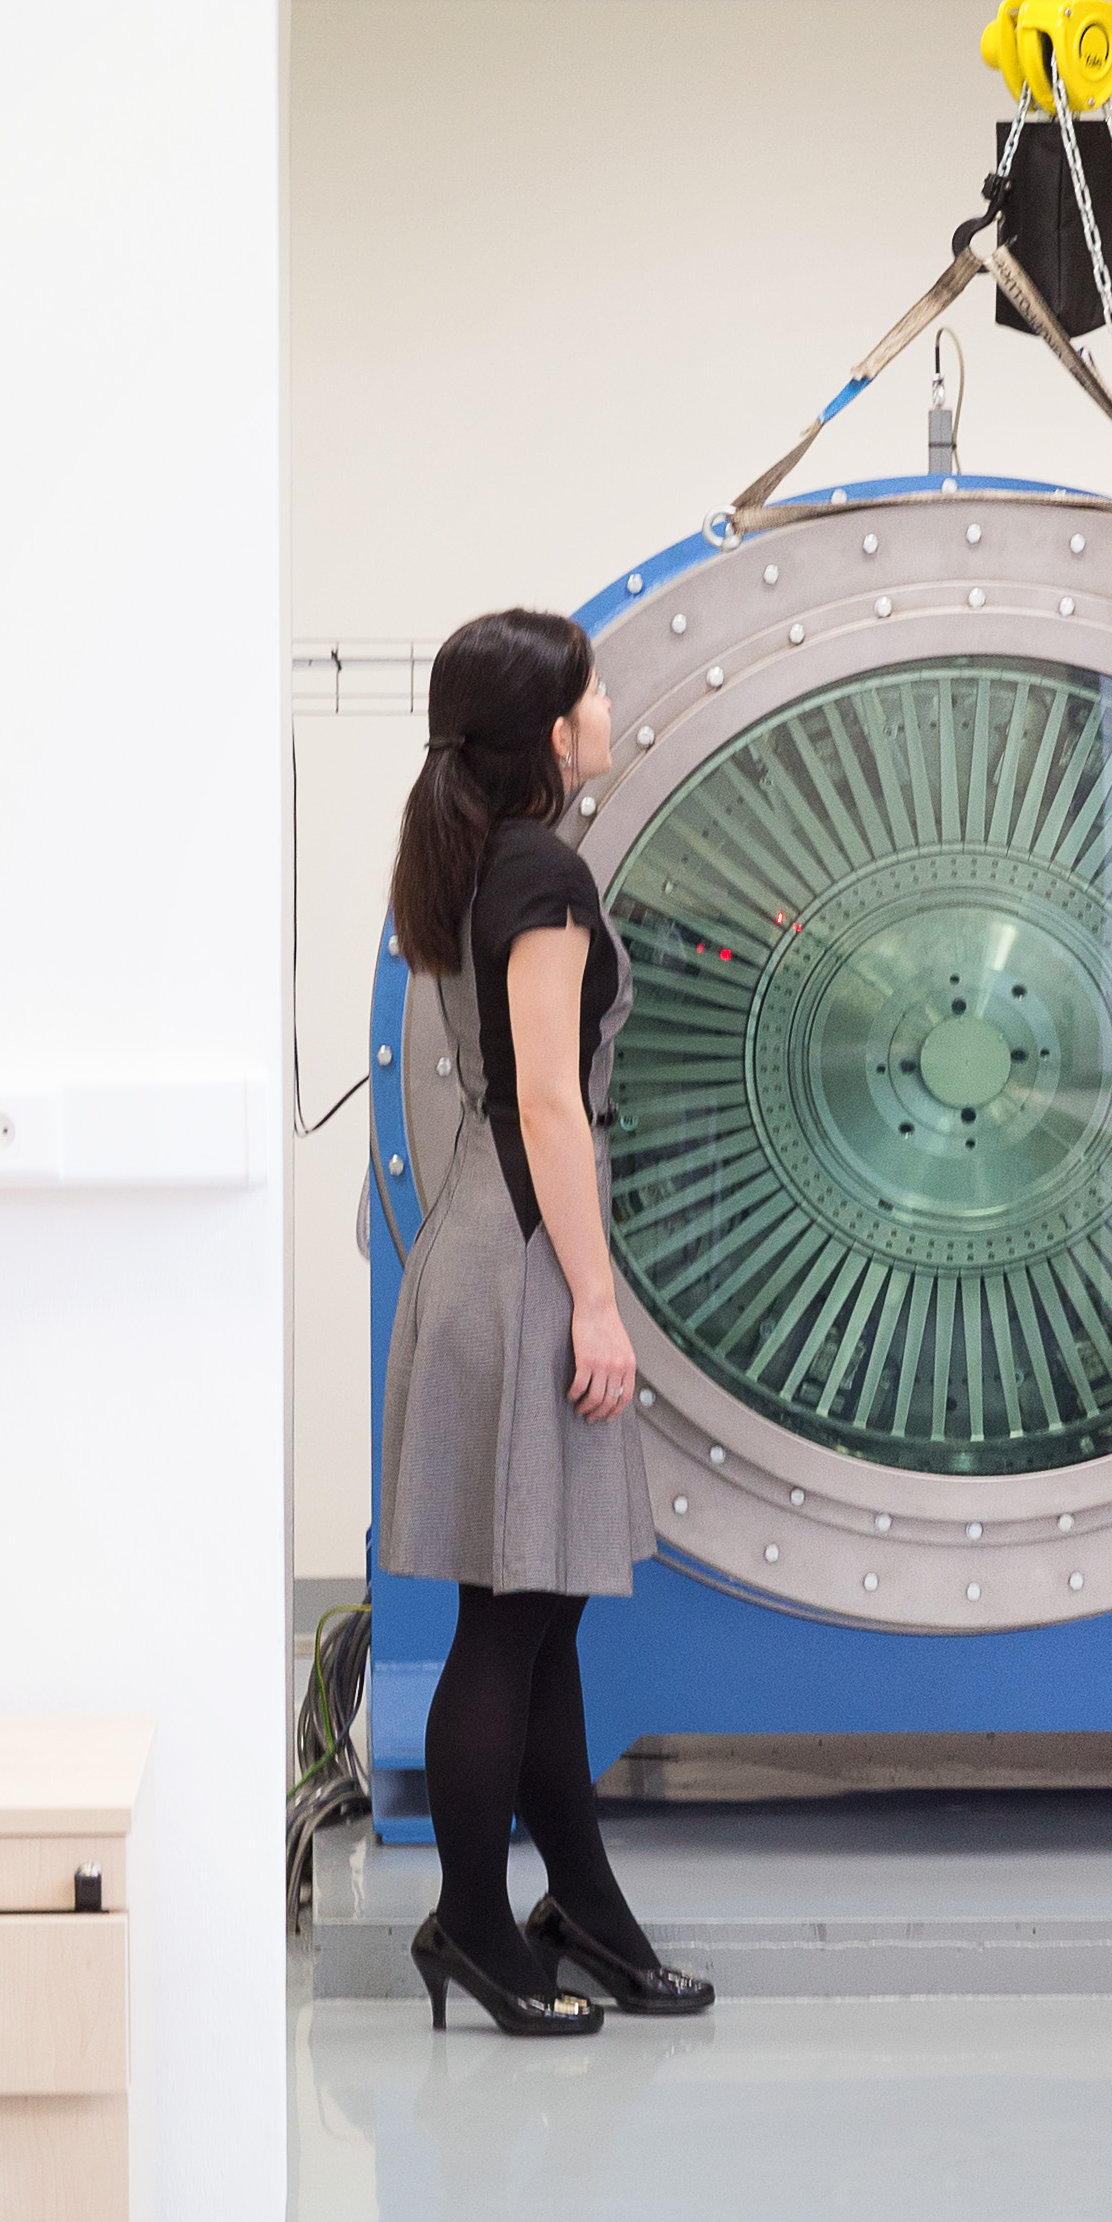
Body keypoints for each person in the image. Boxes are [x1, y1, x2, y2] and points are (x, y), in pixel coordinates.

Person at [374, 608, 713, 2035]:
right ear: (552, 731)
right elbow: (549, 1106)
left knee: (539, 1617)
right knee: (511, 1624)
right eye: (592, 689)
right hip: (523, 1260)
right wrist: (595, 1303)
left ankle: (580, 1911)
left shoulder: (469, 860)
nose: (610, 703)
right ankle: (471, 1926)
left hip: (476, 1240)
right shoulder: (544, 875)